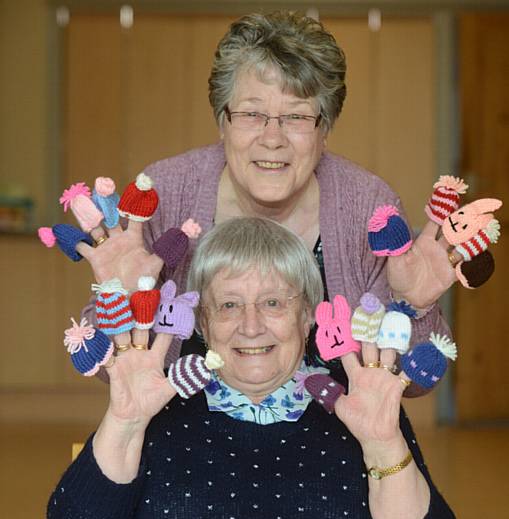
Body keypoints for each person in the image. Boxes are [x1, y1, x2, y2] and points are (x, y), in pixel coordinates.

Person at [48, 218, 459, 519]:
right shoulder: (155, 402)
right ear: (202, 324)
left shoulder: (363, 400)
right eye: (227, 305)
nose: (250, 325)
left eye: (273, 303)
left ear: (307, 318)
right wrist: (126, 421)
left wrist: (382, 443)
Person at [79, 10, 454, 393]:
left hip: (338, 438)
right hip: (185, 439)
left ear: (325, 129)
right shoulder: (166, 193)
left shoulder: (370, 209)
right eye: (252, 113)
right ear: (221, 123)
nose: (272, 137)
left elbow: (412, 385)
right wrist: (119, 298)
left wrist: (413, 306)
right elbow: (107, 368)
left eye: (296, 116)